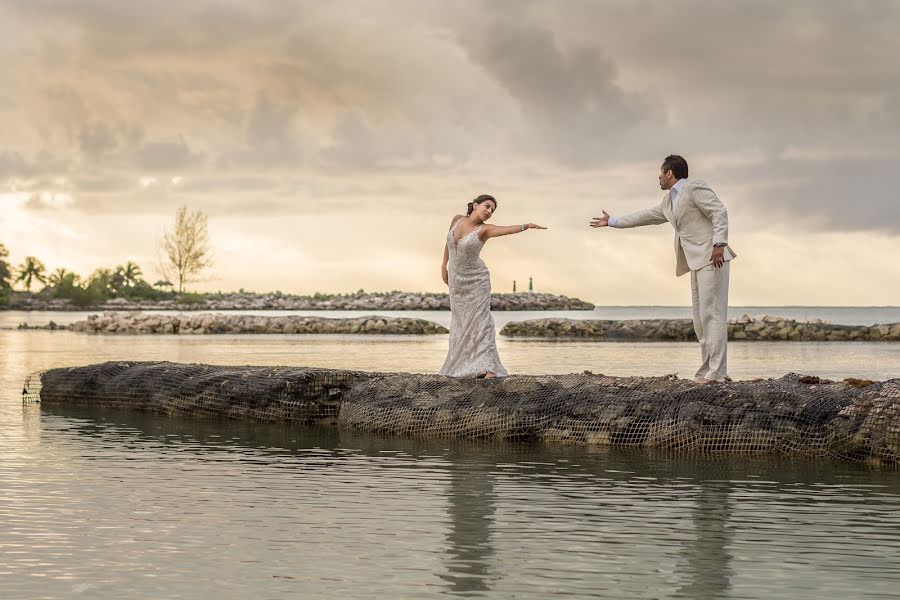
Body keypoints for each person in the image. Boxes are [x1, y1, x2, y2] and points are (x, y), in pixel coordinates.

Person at [590, 155, 737, 383]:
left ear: (670, 173)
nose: (658, 177)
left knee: (713, 315)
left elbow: (719, 212)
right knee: (700, 319)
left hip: (712, 257)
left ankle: (718, 373)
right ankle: (707, 371)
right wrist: (612, 221)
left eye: (660, 172)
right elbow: (645, 216)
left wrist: (719, 244)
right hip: (695, 261)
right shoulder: (669, 202)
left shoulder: (694, 187)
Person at [440, 194, 546, 379]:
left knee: (481, 321)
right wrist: (443, 265)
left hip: (477, 280)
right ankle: (467, 365)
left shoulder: (484, 230)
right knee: (461, 323)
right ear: (475, 205)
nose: (489, 211)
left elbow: (504, 229)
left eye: (492, 210)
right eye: (487, 206)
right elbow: (447, 244)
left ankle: (488, 367)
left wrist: (525, 226)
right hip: (457, 282)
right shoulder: (457, 220)